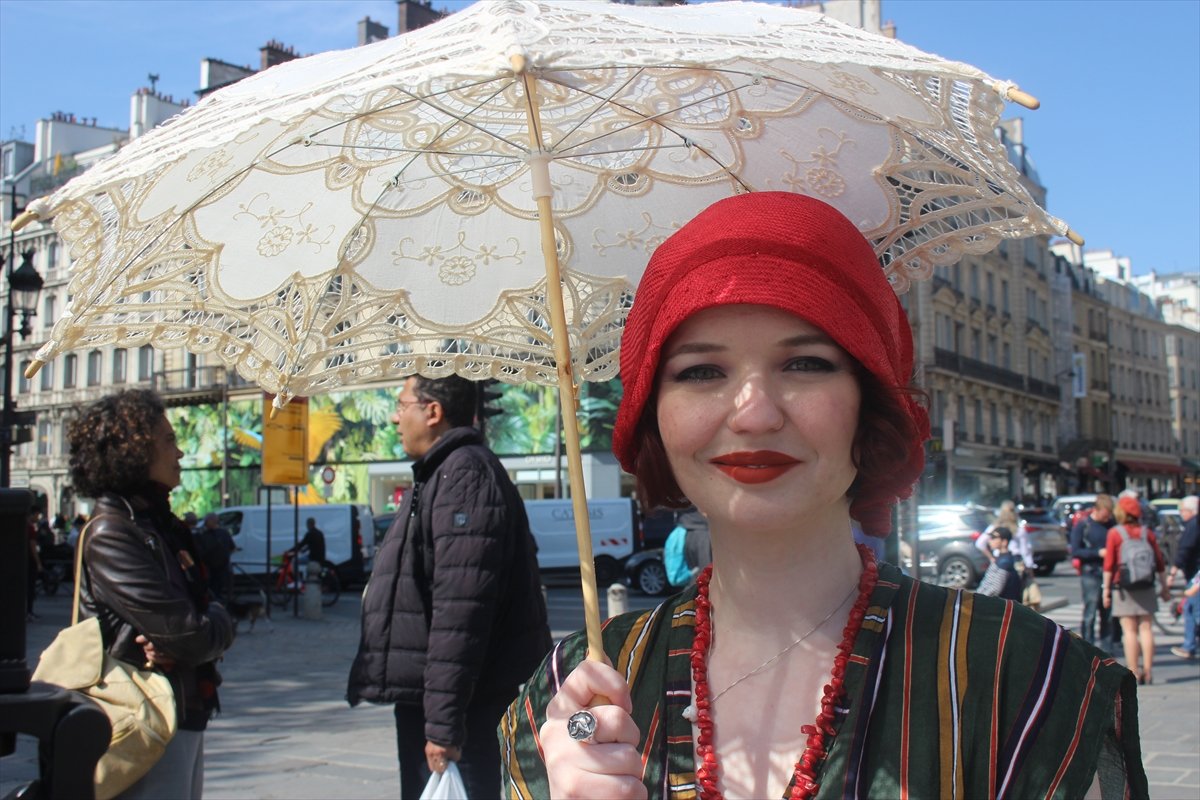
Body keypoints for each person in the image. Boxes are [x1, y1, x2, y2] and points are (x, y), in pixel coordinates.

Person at [499, 193, 1147, 799]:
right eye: (701, 372)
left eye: (804, 364)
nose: (753, 415)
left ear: (871, 401)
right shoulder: (573, 696)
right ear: (653, 415)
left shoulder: (1024, 678)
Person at [347, 375, 552, 798]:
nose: (394, 417)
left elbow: (461, 613)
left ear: (433, 412)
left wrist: (443, 724)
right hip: (443, 700)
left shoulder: (463, 474)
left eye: (402, 405)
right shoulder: (444, 472)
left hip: (460, 707)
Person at [67, 389, 233, 799]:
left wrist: (208, 622)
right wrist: (205, 626)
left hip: (182, 705)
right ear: (134, 451)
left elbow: (201, 619)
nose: (179, 452)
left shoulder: (158, 524)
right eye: (168, 441)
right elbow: (191, 633)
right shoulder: (114, 531)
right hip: (145, 714)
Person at [1103, 494, 1170, 685]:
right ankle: (1148, 671)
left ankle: (1134, 671)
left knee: (1129, 631)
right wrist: (1164, 587)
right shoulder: (1146, 533)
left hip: (1123, 587)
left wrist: (1106, 590)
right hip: (1146, 585)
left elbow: (1109, 565)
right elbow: (1159, 562)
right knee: (1146, 628)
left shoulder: (1115, 533)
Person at [1070, 494, 1116, 653]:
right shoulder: (1084, 525)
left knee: (1108, 612)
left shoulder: (1111, 524)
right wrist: (1097, 553)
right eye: (1105, 514)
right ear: (1096, 510)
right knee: (1090, 611)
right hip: (1090, 572)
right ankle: (1087, 646)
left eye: (1109, 514)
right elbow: (1075, 551)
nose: (1107, 517)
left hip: (1108, 572)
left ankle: (1107, 647)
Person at [1169, 495, 1199, 660]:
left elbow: (1185, 550)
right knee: (1191, 609)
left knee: (1192, 610)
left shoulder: (1193, 525)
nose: (1181, 514)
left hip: (1196, 574)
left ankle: (1189, 646)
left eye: (1182, 510)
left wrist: (1173, 571)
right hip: (1195, 573)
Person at [195, 513, 236, 604]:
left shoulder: (222, 533)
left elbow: (231, 547)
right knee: (214, 589)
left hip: (219, 567)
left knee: (218, 588)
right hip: (211, 567)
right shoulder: (203, 534)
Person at [977, 527, 1023, 602]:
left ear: (1004, 542)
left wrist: (978, 600)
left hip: (1003, 608)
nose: (990, 540)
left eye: (993, 538)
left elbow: (995, 589)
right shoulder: (1001, 559)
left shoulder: (1005, 562)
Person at [976, 500, 1019, 565]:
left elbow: (980, 543)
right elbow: (1026, 550)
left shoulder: (994, 527)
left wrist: (991, 558)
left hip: (1000, 558)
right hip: (1016, 559)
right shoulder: (1018, 529)